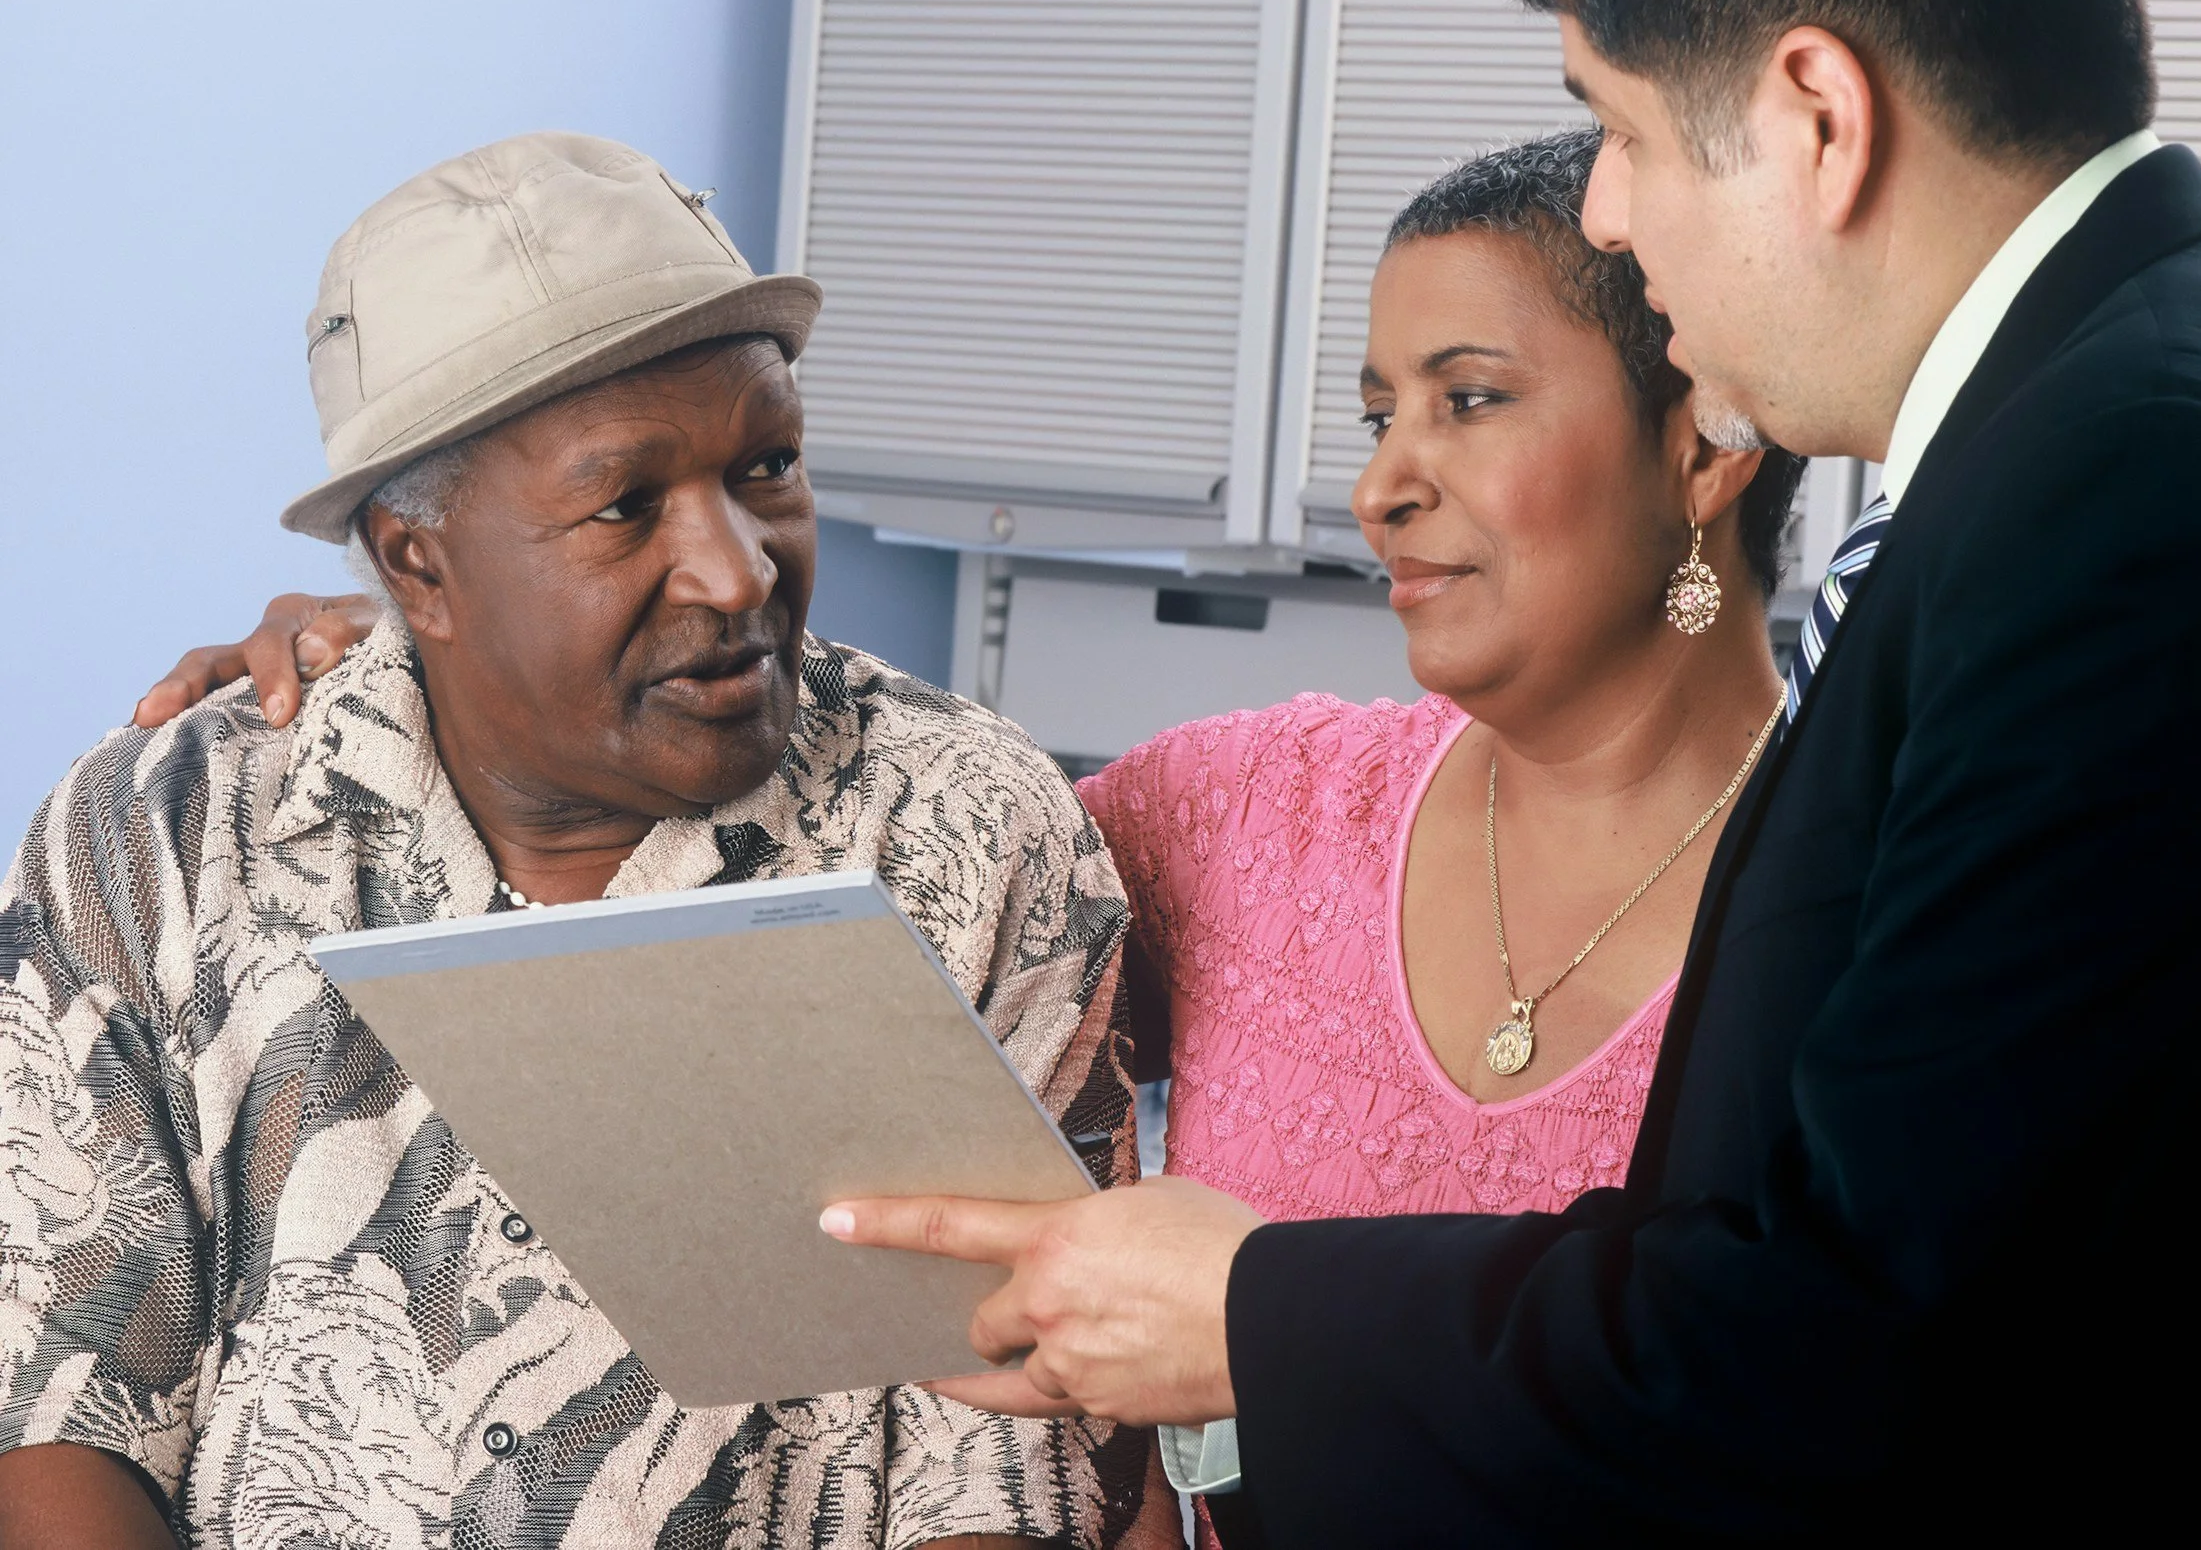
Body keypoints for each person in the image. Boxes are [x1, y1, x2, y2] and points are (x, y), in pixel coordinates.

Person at [810, 0, 2201, 1542]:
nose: (1606, 211)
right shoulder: (2172, 405)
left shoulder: (2144, 504)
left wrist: (1253, 1309)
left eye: (1611, 124)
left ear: (1813, 116)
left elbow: (1859, 1338)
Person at [144, 128, 1811, 1544]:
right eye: (1380, 412)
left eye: (1470, 400)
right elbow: (876, 883)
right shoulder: (1251, 818)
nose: (1384, 483)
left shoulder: (1883, 899)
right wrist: (414, 652)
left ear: (1707, 439)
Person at [0, 133, 1160, 1550]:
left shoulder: (964, 829)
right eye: (627, 506)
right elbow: (55, 1400)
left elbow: (1014, 1466)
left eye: (769, 465)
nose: (739, 569)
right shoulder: (164, 830)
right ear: (417, 560)